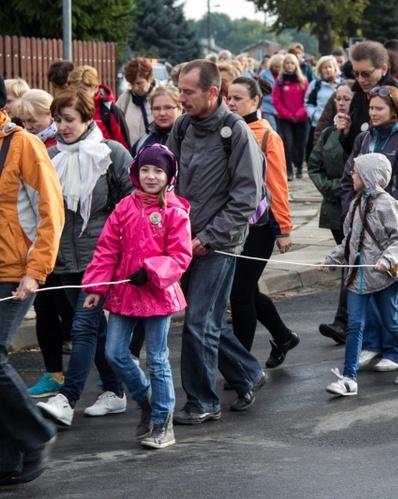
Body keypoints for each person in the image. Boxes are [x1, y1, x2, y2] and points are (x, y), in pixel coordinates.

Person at [167, 59, 266, 424]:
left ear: (213, 92)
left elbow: (247, 196)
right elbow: (170, 179)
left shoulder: (236, 132)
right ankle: (248, 373)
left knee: (198, 321)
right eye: (180, 90)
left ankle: (202, 402)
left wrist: (209, 237)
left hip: (219, 244)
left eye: (188, 92)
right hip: (184, 241)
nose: (181, 98)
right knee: (207, 321)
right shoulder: (182, 127)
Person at [81, 144, 190, 449]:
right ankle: (146, 397)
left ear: (169, 176)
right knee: (115, 352)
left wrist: (152, 271)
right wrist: (95, 288)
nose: (151, 176)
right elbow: (106, 250)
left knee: (157, 359)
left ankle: (162, 420)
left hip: (157, 293)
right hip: (124, 292)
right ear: (135, 172)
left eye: (158, 171)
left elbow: (180, 255)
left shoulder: (175, 210)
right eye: (145, 169)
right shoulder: (124, 207)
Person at [36, 88, 133, 427]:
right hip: (62, 258)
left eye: (70, 120)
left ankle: (67, 398)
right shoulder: (49, 156)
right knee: (96, 329)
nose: (62, 127)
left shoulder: (111, 152)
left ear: (87, 119)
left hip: (100, 257)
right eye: (58, 120)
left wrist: (117, 244)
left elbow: (132, 201)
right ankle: (116, 391)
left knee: (82, 326)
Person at [0, 74, 63, 485]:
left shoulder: (22, 144)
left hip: (14, 273)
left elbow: (51, 212)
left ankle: (37, 435)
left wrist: (35, 272)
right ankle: (7, 460)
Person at [320, 153, 398, 396]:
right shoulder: (356, 204)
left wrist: (387, 261)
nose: (351, 175)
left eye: (355, 172)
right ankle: (349, 378)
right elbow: (349, 240)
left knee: (391, 321)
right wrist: (333, 259)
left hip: (382, 277)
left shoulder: (388, 204)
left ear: (369, 176)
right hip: (356, 278)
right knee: (355, 326)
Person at [339, 85, 398, 372]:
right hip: (363, 224)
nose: (372, 113)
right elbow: (350, 177)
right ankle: (371, 344)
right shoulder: (363, 138)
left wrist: (381, 214)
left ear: (394, 111)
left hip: (393, 224)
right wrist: (354, 212)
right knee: (366, 284)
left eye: (379, 108)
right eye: (371, 108)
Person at [227, 76, 299, 368]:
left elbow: (278, 185)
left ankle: (240, 364)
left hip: (260, 227)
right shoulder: (227, 130)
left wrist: (283, 229)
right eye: (228, 97)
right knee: (247, 290)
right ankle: (283, 336)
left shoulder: (268, 136)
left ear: (255, 102)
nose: (230, 103)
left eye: (237, 98)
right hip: (231, 225)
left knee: (240, 292)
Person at [12, 89, 75, 398]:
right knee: (47, 311)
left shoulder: (42, 147)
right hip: (35, 246)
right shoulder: (25, 143)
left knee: (72, 313)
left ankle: (101, 375)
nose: (29, 125)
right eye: (24, 120)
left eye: (34, 119)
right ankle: (54, 373)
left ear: (50, 115)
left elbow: (52, 204)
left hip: (63, 246)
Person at [337, 41, 398, 173]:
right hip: (365, 183)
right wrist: (346, 134)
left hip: (397, 185)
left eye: (366, 74)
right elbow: (355, 150)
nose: (360, 80)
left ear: (383, 69)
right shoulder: (360, 95)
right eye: (356, 74)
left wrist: (387, 156)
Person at [311, 82, 355, 345]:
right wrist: (331, 188)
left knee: (351, 263)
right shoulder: (327, 133)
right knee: (348, 262)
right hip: (335, 208)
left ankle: (343, 321)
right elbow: (314, 165)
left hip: (358, 207)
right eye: (338, 98)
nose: (341, 103)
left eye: (346, 98)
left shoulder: (361, 133)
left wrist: (343, 187)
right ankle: (344, 321)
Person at [66, 65, 130, 150]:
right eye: (73, 90)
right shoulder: (65, 111)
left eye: (83, 90)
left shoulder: (109, 111)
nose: (77, 94)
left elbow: (124, 148)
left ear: (96, 88)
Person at [273, 54, 309, 181]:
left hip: (301, 118)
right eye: (287, 63)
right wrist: (288, 115)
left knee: (300, 144)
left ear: (296, 65)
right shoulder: (280, 81)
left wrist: (298, 114)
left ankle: (299, 168)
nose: (289, 65)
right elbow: (277, 101)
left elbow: (307, 100)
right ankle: (289, 170)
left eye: (292, 63)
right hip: (285, 118)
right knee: (288, 144)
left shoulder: (303, 81)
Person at [130, 85, 183, 154]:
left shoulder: (188, 139)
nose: (162, 113)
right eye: (157, 109)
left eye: (168, 108)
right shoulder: (142, 143)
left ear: (180, 109)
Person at [305, 56, 339, 159]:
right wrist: (315, 115)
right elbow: (308, 103)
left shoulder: (341, 84)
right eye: (325, 67)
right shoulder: (315, 85)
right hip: (319, 123)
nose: (328, 70)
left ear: (335, 68)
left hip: (337, 124)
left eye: (330, 67)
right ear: (320, 70)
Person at [116, 58, 157, 144]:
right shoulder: (125, 98)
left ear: (150, 79)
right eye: (132, 84)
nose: (135, 88)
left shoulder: (161, 96)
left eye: (139, 83)